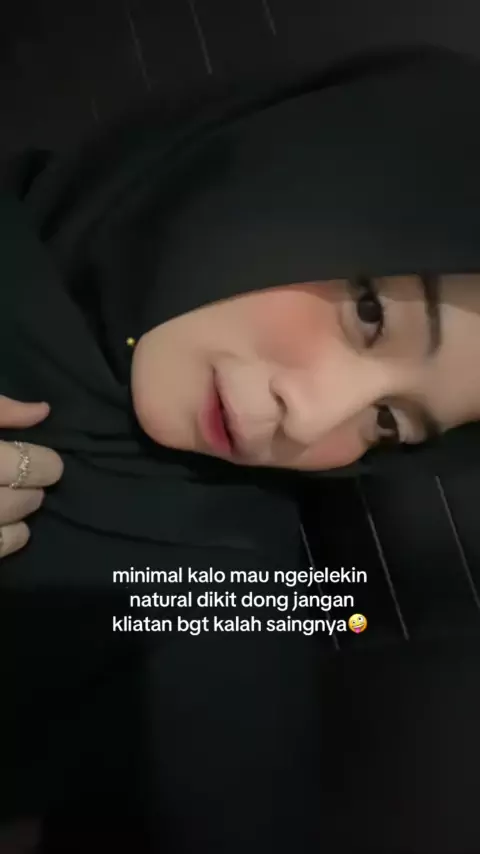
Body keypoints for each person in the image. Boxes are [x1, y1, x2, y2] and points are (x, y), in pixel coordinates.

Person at [1, 44, 480, 853]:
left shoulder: (224, 595)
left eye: (391, 424)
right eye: (369, 314)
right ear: (276, 170)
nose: (314, 417)